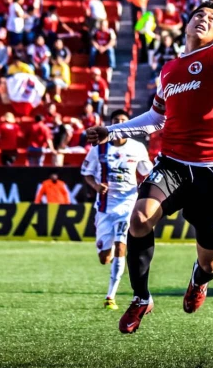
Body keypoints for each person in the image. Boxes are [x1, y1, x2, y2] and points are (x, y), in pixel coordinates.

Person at [85, 2, 213, 335]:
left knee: (210, 260)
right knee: (139, 220)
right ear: (186, 24)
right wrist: (111, 131)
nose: (203, 20)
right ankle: (141, 298)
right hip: (171, 164)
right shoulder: (168, 69)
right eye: (199, 15)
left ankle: (198, 281)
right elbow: (157, 119)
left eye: (212, 19)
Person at [82, 109, 153, 310]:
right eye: (116, 121)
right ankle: (109, 249)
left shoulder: (138, 148)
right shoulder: (98, 149)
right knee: (105, 257)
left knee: (122, 246)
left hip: (127, 204)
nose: (120, 124)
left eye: (123, 121)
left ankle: (110, 296)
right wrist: (96, 186)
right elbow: (86, 173)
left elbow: (146, 172)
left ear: (128, 124)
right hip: (105, 207)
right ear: (111, 124)